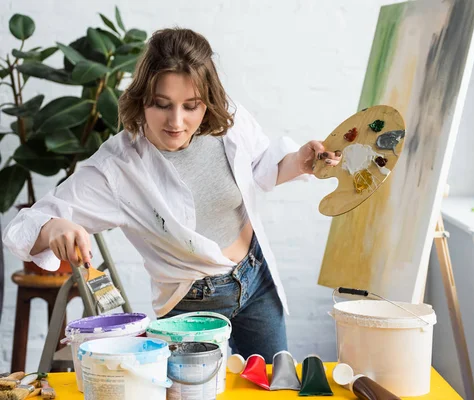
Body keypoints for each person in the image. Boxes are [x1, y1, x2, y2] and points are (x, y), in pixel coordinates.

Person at [2, 28, 340, 361]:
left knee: (275, 385)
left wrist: (299, 162)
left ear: (207, 102)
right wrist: (54, 227)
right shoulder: (118, 167)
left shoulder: (229, 122)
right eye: (162, 105)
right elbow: (24, 226)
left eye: (191, 106)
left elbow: (260, 170)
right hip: (191, 303)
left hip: (256, 277)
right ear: (142, 99)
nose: (176, 122)